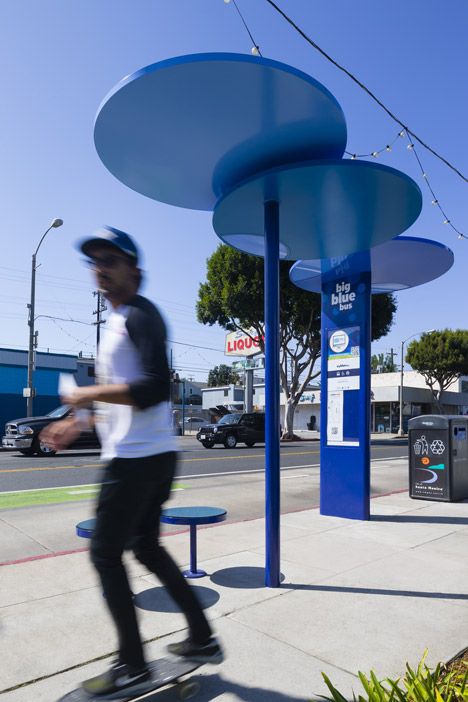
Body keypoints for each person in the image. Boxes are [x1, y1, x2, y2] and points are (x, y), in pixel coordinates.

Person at [41, 226, 222, 698]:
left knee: (104, 552)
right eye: (94, 261)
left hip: (138, 461)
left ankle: (133, 665)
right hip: (148, 455)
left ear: (134, 272)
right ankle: (201, 637)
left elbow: (152, 390)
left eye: (110, 259)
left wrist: (85, 393)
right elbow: (123, 397)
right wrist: (79, 419)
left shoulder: (142, 315)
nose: (100, 268)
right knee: (145, 548)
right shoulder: (118, 323)